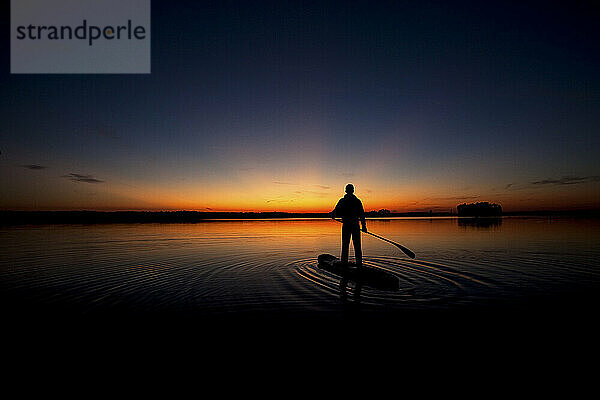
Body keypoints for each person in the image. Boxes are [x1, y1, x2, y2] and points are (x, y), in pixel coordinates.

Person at [331, 184, 367, 268]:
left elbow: (335, 211)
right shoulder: (357, 201)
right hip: (355, 226)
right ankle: (359, 264)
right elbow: (362, 214)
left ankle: (344, 263)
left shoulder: (342, 201)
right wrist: (364, 226)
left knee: (345, 245)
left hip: (347, 225)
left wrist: (332, 215)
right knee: (357, 246)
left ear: (346, 191)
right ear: (353, 191)